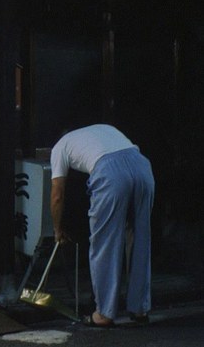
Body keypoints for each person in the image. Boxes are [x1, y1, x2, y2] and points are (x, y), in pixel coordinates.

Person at [50, 124, 154, 327]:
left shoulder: (60, 147)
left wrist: (57, 229)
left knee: (105, 243)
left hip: (110, 173)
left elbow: (57, 195)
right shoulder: (103, 129)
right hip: (142, 167)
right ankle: (140, 308)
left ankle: (104, 313)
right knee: (140, 240)